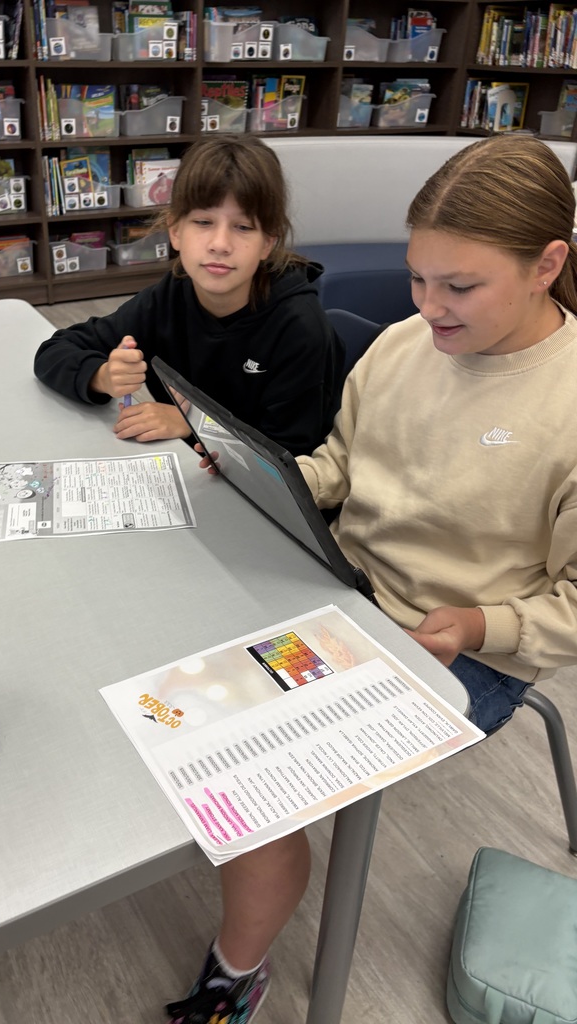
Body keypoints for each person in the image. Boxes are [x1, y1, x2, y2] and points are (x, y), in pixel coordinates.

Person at [180, 133, 577, 1024]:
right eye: (417, 278)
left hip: (465, 648)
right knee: (178, 671)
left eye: (459, 287)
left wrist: (476, 626)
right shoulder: (403, 345)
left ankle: (234, 975)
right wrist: (273, 476)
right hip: (345, 588)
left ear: (548, 265)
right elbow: (342, 464)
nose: (428, 308)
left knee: (257, 775)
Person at [34, 135, 344, 455]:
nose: (220, 244)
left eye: (243, 227)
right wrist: (102, 376)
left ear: (268, 242)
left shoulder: (299, 327)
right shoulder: (172, 294)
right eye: (203, 222)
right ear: (175, 231)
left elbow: (292, 456)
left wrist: (197, 424)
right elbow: (55, 350)